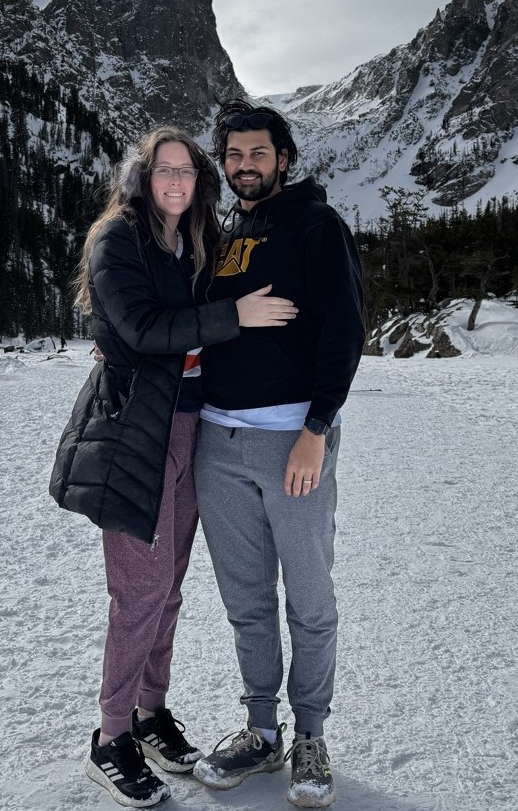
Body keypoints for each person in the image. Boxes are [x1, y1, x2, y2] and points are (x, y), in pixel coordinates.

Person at [49, 126, 297, 809]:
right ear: (142, 176)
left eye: (187, 171)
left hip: (191, 422)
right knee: (139, 590)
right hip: (134, 428)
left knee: (169, 587)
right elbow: (142, 329)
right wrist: (232, 314)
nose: (177, 182)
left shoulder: (197, 239)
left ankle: (150, 714)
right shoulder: (117, 239)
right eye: (164, 170)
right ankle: (111, 734)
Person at [191, 100, 365, 808]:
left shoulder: (315, 225)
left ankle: (311, 734)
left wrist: (316, 428)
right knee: (245, 598)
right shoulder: (224, 227)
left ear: (284, 158)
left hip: (291, 439)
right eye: (233, 155)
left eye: (257, 153)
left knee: (310, 597)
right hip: (215, 438)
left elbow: (345, 329)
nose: (243, 166)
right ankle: (261, 730)